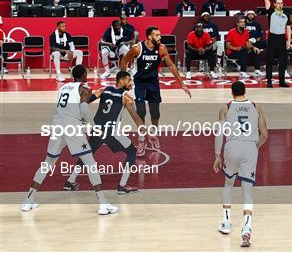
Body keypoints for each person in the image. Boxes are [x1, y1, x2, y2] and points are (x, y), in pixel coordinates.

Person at [21, 65, 118, 215]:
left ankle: (28, 201)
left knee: (48, 163)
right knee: (91, 163)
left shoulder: (64, 87)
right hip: (72, 125)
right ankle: (103, 204)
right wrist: (92, 125)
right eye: (87, 72)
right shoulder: (85, 86)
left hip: (57, 124)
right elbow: (84, 109)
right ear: (83, 75)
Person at [63, 71, 146, 194]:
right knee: (132, 152)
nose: (131, 83)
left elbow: (85, 101)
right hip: (111, 132)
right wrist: (146, 132)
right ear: (121, 81)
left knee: (87, 154)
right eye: (129, 80)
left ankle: (70, 182)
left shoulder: (103, 90)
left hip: (96, 129)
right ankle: (122, 186)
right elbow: (136, 118)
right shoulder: (126, 97)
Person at [120, 26, 192, 157]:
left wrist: (182, 83)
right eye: (157, 35)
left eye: (160, 34)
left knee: (155, 113)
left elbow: (171, 65)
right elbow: (124, 60)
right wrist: (124, 80)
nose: (160, 37)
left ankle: (153, 135)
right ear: (149, 36)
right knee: (141, 112)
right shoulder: (137, 48)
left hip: (153, 82)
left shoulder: (162, 48)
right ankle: (141, 140)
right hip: (139, 82)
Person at [213, 81, 268, 247]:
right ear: (245, 91)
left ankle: (226, 222)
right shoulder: (256, 107)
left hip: (232, 146)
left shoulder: (226, 108)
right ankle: (246, 227)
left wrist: (217, 155)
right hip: (250, 147)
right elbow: (265, 134)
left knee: (228, 184)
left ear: (231, 93)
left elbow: (219, 134)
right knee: (247, 189)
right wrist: (254, 148)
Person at [263, 0, 291, 88]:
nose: (280, 4)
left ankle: (282, 81)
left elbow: (288, 29)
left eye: (281, 3)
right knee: (269, 61)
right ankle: (269, 81)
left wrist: (288, 41)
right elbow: (266, 0)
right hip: (272, 38)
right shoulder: (271, 12)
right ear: (275, 5)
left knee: (283, 61)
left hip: (281, 39)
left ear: (283, 5)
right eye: (278, 3)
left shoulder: (286, 15)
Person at [245, 11, 265, 76]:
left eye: (252, 14)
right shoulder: (243, 24)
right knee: (256, 49)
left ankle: (257, 70)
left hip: (255, 43)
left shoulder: (257, 25)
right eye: (249, 14)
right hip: (245, 43)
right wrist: (248, 42)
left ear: (254, 16)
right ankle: (257, 70)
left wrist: (254, 42)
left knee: (265, 43)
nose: (250, 16)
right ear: (246, 16)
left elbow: (259, 36)